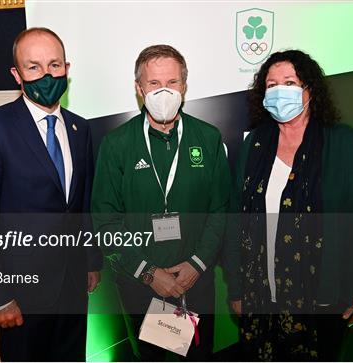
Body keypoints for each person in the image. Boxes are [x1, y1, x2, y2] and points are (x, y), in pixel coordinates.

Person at [222, 50, 353, 361]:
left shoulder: (345, 144)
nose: (278, 91)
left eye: (289, 82)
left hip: (323, 303)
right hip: (260, 298)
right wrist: (236, 287)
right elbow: (235, 222)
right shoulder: (254, 145)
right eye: (271, 85)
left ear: (310, 90)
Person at [0, 27, 102, 361]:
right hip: (20, 295)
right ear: (17, 74)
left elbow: (80, 207)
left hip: (72, 289)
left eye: (54, 65)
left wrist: (90, 262)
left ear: (67, 69)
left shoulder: (79, 128)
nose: (46, 74)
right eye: (34, 66)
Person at [91, 44, 231, 361]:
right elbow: (105, 221)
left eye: (172, 83)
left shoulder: (207, 138)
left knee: (198, 355)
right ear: (140, 89)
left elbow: (221, 210)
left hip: (196, 281)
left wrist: (198, 263)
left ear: (184, 86)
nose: (163, 91)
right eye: (154, 84)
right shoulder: (116, 145)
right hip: (141, 285)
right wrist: (149, 273)